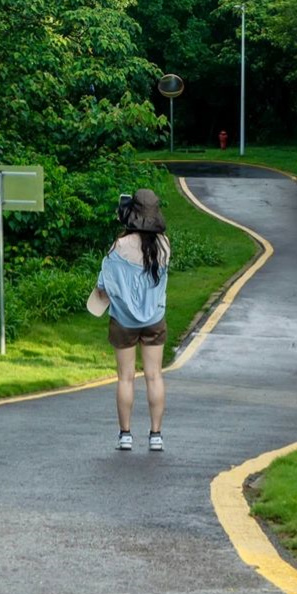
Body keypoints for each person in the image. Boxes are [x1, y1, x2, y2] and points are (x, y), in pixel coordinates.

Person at [89, 188, 170, 452]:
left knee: (125, 378)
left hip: (123, 321)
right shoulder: (164, 246)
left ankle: (125, 435)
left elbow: (104, 286)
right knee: (154, 376)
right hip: (154, 319)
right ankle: (156, 435)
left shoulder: (119, 247)